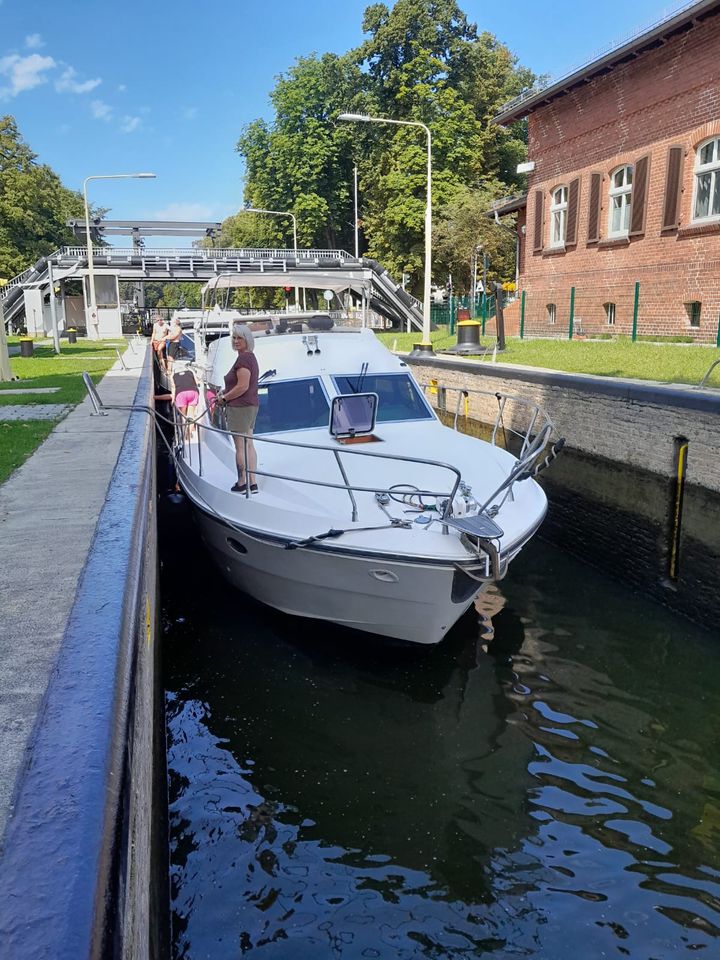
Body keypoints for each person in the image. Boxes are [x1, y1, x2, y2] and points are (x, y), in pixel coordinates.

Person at [218, 323, 260, 493]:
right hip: (250, 405)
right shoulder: (250, 357)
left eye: (239, 338)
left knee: (241, 447)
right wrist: (226, 390)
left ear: (247, 339)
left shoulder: (243, 359)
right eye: (234, 337)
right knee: (249, 444)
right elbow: (242, 384)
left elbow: (243, 386)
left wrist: (224, 398)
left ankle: (242, 482)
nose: (235, 341)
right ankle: (253, 482)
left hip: (239, 407)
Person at [172, 367, 200, 441]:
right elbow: (196, 383)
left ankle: (183, 436)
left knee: (183, 416)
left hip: (180, 393)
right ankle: (189, 434)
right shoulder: (190, 372)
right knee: (191, 416)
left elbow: (173, 388)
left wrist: (172, 400)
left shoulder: (173, 376)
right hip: (193, 392)